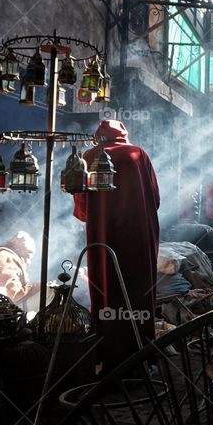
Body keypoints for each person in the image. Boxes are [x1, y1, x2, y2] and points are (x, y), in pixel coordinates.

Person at [73, 119, 161, 372]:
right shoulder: (138, 154)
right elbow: (155, 198)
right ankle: (142, 357)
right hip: (139, 236)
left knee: (107, 288)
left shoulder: (89, 156)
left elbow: (81, 209)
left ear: (98, 136)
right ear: (124, 134)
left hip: (104, 235)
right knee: (139, 289)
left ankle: (108, 357)